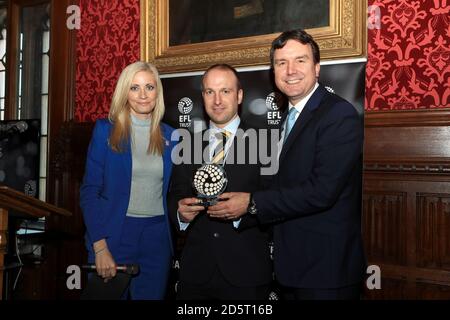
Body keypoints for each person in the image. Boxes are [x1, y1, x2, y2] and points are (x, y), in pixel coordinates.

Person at [207, 29, 366, 300]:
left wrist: (252, 203)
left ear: (317, 68)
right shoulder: (286, 119)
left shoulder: (338, 114)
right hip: (291, 268)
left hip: (325, 272)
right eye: (281, 63)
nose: (290, 70)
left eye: (300, 60)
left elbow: (322, 192)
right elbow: (279, 184)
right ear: (274, 72)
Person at [167, 64, 272, 300]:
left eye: (225, 91)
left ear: (240, 95)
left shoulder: (266, 143)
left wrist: (247, 209)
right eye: (209, 92)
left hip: (247, 272)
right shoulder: (188, 144)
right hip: (196, 274)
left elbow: (276, 200)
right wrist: (180, 214)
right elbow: (175, 193)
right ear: (202, 96)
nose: (217, 100)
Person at [79, 61, 177, 300]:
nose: (143, 95)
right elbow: (89, 191)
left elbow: (175, 191)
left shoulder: (172, 136)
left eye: (149, 87)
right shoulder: (105, 131)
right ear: (125, 92)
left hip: (156, 238)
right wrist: (100, 247)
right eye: (134, 88)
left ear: (158, 92)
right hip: (114, 234)